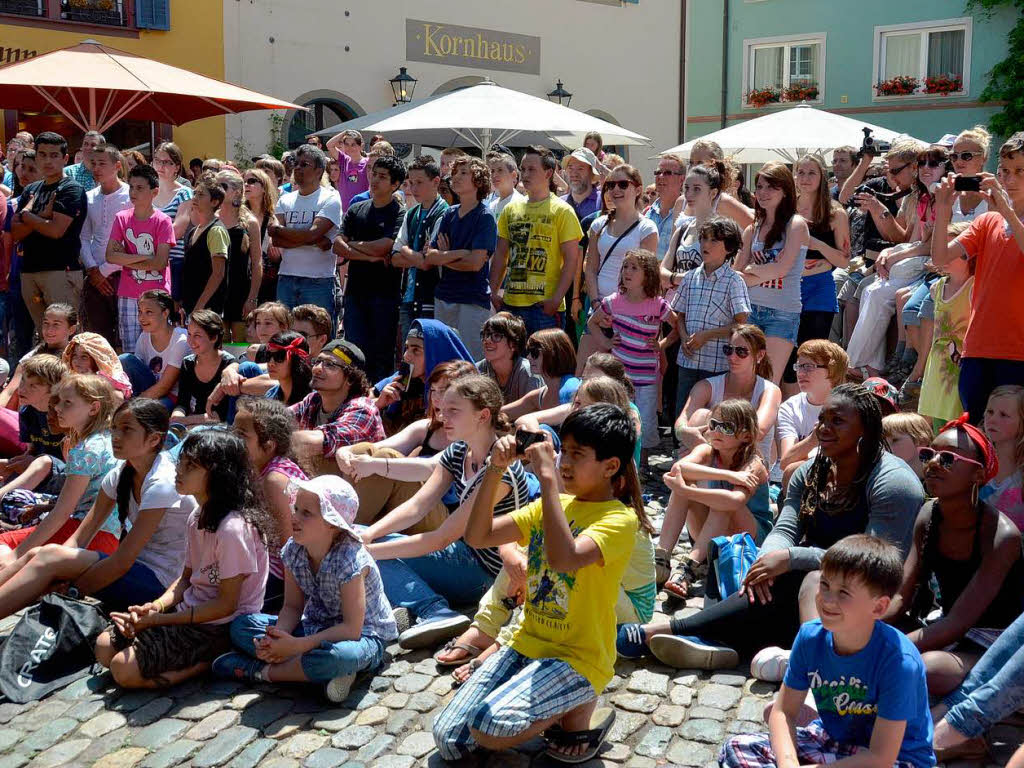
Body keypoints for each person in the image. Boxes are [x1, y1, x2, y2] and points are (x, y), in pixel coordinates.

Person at [618, 384, 923, 669]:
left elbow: (877, 564)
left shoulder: (893, 482)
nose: (823, 428)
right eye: (822, 419)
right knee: (761, 578)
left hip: (863, 596)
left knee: (812, 580)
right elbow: (785, 529)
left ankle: (670, 630)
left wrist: (790, 558)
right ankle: (720, 643)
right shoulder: (811, 471)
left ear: (865, 430)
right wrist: (768, 560)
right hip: (812, 582)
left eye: (837, 421)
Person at [432, 404, 643, 763]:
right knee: (449, 740)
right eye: (565, 452)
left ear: (610, 467)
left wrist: (546, 481)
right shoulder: (555, 503)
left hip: (578, 657)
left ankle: (575, 710)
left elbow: (565, 558)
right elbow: (478, 534)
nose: (565, 463)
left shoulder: (620, 519)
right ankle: (555, 711)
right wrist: (495, 470)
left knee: (489, 725)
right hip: (529, 643)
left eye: (578, 455)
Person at [719, 535, 935, 768]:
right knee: (738, 748)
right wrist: (788, 763)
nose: (827, 600)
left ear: (879, 606)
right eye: (825, 585)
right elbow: (783, 712)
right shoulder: (810, 637)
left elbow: (880, 758)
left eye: (844, 593)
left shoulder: (899, 662)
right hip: (834, 742)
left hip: (898, 760)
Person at [365, 375, 531, 649]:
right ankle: (405, 608)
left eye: (454, 411)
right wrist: (368, 535)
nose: (443, 418)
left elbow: (442, 537)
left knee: (372, 556)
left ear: (483, 415)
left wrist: (365, 551)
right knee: (361, 537)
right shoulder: (458, 452)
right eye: (443, 410)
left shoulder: (501, 469)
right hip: (461, 555)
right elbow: (417, 506)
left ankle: (434, 611)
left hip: (488, 575)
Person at [94, 429, 270, 689]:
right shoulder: (197, 516)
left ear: (218, 475)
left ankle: (206, 662)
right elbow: (187, 579)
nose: (179, 470)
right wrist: (155, 607)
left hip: (219, 626)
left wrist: (159, 621)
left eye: (191, 465)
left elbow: (226, 605)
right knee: (104, 648)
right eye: (181, 461)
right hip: (186, 614)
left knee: (123, 669)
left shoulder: (232, 528)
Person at [0, 399, 193, 620]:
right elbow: (82, 535)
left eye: (127, 430)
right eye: (114, 429)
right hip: (134, 570)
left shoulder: (163, 481)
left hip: (162, 584)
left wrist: (74, 589)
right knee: (41, 553)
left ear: (154, 439)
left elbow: (122, 561)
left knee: (51, 556)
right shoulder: (121, 473)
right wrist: (62, 567)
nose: (116, 437)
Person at [214, 473, 396, 701]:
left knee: (339, 657)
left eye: (306, 513)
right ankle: (316, 671)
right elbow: (292, 606)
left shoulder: (350, 558)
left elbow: (352, 629)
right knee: (241, 626)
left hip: (362, 637)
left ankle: (262, 672)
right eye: (296, 509)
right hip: (316, 627)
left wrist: (296, 647)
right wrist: (277, 637)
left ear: (333, 524)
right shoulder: (294, 549)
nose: (295, 517)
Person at [886, 414, 1022, 695]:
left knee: (927, 669)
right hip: (945, 627)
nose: (934, 463)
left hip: (993, 640)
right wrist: (863, 630)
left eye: (948, 458)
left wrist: (879, 647)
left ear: (979, 475)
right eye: (928, 455)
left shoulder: (1002, 536)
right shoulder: (928, 514)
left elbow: (960, 622)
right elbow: (901, 595)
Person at [931, 132, 1024, 422]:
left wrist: (1006, 210)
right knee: (976, 437)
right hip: (978, 348)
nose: (1009, 179)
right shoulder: (987, 221)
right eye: (1005, 171)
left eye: (1020, 171)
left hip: (1019, 352)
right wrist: (944, 207)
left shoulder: (1002, 215)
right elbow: (939, 259)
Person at [337, 359, 476, 534]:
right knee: (362, 451)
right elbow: (374, 447)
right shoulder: (426, 428)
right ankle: (345, 521)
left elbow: (431, 467)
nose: (438, 398)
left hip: (443, 516)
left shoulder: (471, 436)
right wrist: (344, 453)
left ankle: (342, 531)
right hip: (413, 506)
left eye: (445, 391)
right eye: (434, 390)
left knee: (385, 458)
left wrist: (374, 465)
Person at [847, 144, 943, 380]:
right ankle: (868, 364)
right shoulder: (919, 198)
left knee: (876, 293)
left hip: (927, 264)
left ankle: (857, 363)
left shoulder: (938, 197)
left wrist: (894, 252)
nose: (889, 177)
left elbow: (919, 243)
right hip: (909, 258)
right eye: (923, 164)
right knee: (867, 289)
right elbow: (903, 238)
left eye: (895, 171)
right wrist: (890, 251)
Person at [0, 374, 120, 561]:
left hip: (87, 536)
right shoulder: (108, 440)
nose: (57, 407)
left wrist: (17, 553)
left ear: (94, 408)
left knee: (4, 544)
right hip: (110, 536)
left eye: (67, 403)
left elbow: (62, 512)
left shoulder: (86, 450)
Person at [660, 399, 772, 599]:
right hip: (710, 530)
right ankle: (661, 558)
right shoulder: (707, 451)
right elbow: (679, 468)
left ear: (746, 436)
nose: (717, 432)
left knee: (722, 502)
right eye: (714, 425)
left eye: (727, 428)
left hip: (751, 537)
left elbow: (735, 501)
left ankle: (689, 568)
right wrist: (728, 476)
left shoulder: (753, 463)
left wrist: (689, 491)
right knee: (683, 483)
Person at [492, 146, 583, 336]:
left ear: (548, 173)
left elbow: (571, 261)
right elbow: (501, 254)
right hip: (511, 304)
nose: (525, 174)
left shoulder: (563, 211)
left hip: (544, 308)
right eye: (523, 169)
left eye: (531, 169)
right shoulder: (510, 209)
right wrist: (493, 291)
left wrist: (556, 300)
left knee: (545, 364)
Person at [734, 162, 810, 385]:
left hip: (782, 313)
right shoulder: (752, 229)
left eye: (771, 187)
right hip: (750, 311)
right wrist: (760, 272)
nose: (763, 193)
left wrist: (753, 270)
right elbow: (737, 275)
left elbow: (783, 268)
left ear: (785, 190)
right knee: (745, 378)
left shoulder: (795, 225)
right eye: (760, 187)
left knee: (768, 381)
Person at [589, 249, 669, 458]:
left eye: (635, 268)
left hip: (647, 376)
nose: (628, 271)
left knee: (645, 421)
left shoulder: (658, 304)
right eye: (626, 266)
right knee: (618, 416)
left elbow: (677, 326)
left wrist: (662, 343)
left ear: (649, 274)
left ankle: (641, 463)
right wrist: (606, 342)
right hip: (621, 375)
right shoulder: (613, 301)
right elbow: (592, 323)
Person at [665, 216, 751, 411]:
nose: (706, 244)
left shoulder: (733, 281)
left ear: (728, 248)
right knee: (683, 410)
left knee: (711, 413)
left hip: (717, 363)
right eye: (704, 238)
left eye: (714, 240)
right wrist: (685, 336)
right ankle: (681, 442)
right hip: (688, 359)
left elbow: (741, 324)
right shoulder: (689, 277)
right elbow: (680, 315)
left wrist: (707, 335)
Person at [332, 155, 406, 382]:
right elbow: (337, 245)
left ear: (395, 185)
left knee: (381, 354)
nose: (374, 180)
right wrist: (371, 257)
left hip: (385, 296)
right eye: (374, 173)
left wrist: (353, 247)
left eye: (382, 177)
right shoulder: (357, 208)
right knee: (353, 351)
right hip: (355, 293)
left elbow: (385, 246)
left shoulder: (400, 213)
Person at [782, 155, 850, 397]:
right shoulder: (786, 209)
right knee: (786, 354)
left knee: (813, 355)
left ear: (822, 176)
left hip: (819, 287)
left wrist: (817, 244)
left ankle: (813, 405)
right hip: (787, 285)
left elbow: (844, 259)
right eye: (801, 172)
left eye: (812, 173)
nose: (805, 178)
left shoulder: (834, 213)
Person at [232, 397, 307, 613]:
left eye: (242, 435)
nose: (233, 440)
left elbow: (290, 548)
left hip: (286, 575)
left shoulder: (274, 481)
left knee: (238, 617)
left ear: (269, 445)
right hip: (266, 563)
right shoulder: (251, 470)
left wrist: (293, 607)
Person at [11, 132, 88, 331]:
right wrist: (42, 217)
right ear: (36, 156)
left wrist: (28, 216)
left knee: (65, 334)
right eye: (42, 154)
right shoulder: (31, 189)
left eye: (54, 155)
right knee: (42, 334)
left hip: (61, 271)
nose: (47, 160)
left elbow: (55, 230)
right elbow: (16, 233)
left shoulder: (71, 189)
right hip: (29, 271)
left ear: (65, 159)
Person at [674, 324, 780, 464]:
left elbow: (757, 432)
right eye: (728, 350)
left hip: (750, 465)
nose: (732, 357)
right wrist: (684, 433)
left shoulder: (769, 390)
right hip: (711, 461)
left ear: (760, 355)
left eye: (741, 352)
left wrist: (708, 440)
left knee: (704, 419)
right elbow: (682, 420)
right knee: (700, 416)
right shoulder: (706, 386)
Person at [426, 156, 497, 361]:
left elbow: (475, 264)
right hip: (444, 296)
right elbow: (430, 257)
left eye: (464, 173)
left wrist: (444, 257)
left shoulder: (485, 216)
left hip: (472, 299)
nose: (455, 177)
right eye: (454, 173)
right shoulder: (448, 214)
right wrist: (459, 253)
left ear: (479, 180)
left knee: (469, 361)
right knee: (444, 361)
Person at [269, 144, 342, 327]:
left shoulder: (330, 198)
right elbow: (275, 237)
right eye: (297, 164)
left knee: (318, 333)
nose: (298, 168)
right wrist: (313, 240)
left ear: (319, 171)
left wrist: (292, 236)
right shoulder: (285, 199)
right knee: (285, 333)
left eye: (304, 164)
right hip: (286, 277)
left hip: (318, 280)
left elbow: (312, 233)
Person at [105, 164, 175, 353]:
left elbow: (160, 262)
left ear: (155, 192)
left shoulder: (163, 221)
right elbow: (110, 256)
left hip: (157, 294)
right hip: (128, 293)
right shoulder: (121, 218)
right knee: (131, 350)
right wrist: (145, 257)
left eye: (140, 188)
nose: (133, 192)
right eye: (131, 187)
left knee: (158, 348)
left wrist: (125, 257)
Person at [289, 340, 385, 475]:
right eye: (317, 361)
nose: (317, 368)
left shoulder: (363, 409)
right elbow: (281, 419)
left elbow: (323, 441)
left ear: (350, 379)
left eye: (330, 364)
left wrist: (270, 437)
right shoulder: (313, 401)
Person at [374, 319, 474, 434]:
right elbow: (366, 397)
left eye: (416, 350)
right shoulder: (402, 380)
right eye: (407, 348)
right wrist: (378, 404)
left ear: (435, 352)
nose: (406, 356)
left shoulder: (460, 387)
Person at [918, 223, 974, 425]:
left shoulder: (974, 288)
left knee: (954, 422)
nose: (944, 254)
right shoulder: (937, 287)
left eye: (952, 248)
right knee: (934, 422)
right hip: (937, 367)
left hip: (959, 369)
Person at [583, 165, 659, 315]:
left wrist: (619, 306)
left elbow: (644, 276)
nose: (615, 189)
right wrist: (596, 303)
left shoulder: (647, 228)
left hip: (629, 311)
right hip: (598, 307)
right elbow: (591, 269)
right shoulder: (598, 224)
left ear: (638, 190)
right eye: (611, 185)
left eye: (623, 184)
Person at [775, 339, 849, 490]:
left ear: (832, 369)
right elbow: (785, 461)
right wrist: (813, 439)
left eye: (809, 367)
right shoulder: (790, 407)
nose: (801, 373)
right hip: (798, 482)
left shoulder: (850, 406)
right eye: (799, 366)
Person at [391, 155, 449, 340]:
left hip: (429, 298)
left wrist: (406, 251)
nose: (413, 188)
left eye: (419, 182)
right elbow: (394, 257)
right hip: (408, 298)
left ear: (436, 181)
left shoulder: (444, 213)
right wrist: (414, 254)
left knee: (427, 353)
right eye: (410, 182)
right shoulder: (412, 213)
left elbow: (427, 262)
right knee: (409, 357)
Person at [79, 144, 131, 343]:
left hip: (125, 275)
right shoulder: (89, 197)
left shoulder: (130, 196)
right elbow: (84, 237)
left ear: (117, 166)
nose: (96, 168)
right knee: (98, 336)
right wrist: (93, 270)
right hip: (94, 277)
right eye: (93, 163)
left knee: (125, 337)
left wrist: (105, 271)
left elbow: (132, 243)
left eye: (102, 163)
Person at [0, 356, 68, 507]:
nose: (22, 389)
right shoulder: (27, 412)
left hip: (65, 476)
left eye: (33, 386)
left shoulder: (64, 415)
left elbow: (72, 462)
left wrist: (31, 463)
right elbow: (31, 451)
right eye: (23, 381)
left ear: (53, 389)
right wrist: (12, 464)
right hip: (38, 472)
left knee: (43, 462)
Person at [118, 290, 188, 410]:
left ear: (165, 313)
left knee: (143, 413)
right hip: (149, 391)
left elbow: (165, 386)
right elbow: (136, 373)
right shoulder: (144, 336)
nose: (141, 318)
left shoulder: (181, 339)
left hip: (172, 396)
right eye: (140, 312)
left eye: (148, 312)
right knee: (124, 359)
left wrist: (133, 404)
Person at [0, 302, 77, 411]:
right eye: (46, 323)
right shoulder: (33, 355)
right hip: (29, 415)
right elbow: (11, 390)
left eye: (56, 324)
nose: (49, 330)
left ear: (72, 329)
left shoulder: (76, 356)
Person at [662, 163, 728, 286]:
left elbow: (716, 278)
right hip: (677, 302)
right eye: (686, 188)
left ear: (713, 193)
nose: (689, 194)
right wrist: (680, 279)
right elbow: (662, 273)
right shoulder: (682, 230)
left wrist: (674, 278)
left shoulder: (722, 231)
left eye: (697, 189)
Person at [217, 170, 263, 342]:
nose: (217, 189)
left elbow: (257, 263)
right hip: (216, 289)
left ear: (236, 191)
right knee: (219, 343)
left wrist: (252, 297)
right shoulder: (211, 219)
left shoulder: (249, 222)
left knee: (242, 342)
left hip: (240, 290)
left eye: (222, 185)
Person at [171, 310, 235, 425]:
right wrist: (176, 418)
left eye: (197, 335)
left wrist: (184, 421)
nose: (191, 341)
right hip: (194, 422)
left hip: (221, 427)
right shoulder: (188, 363)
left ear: (214, 338)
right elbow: (182, 403)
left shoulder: (229, 364)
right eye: (189, 334)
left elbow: (220, 414)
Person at [502, 329, 580, 420]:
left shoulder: (573, 387)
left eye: (534, 352)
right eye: (529, 352)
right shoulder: (539, 396)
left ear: (553, 353)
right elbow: (501, 414)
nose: (528, 357)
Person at [181, 177, 229, 316]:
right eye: (195, 193)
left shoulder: (216, 231)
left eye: (201, 194)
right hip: (191, 306)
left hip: (208, 309)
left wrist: (199, 307)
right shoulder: (193, 231)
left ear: (214, 202)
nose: (195, 197)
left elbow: (218, 274)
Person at [152, 143, 194, 303]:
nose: (161, 166)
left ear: (177, 167)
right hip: (146, 260)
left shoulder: (184, 193)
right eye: (157, 160)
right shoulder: (146, 190)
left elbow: (178, 229)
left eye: (167, 162)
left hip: (173, 263)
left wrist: (147, 240)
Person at [981, 385, 1024, 531]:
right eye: (990, 412)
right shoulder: (976, 463)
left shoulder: (1021, 475)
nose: (992, 420)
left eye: (1004, 415)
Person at [475, 312, 542, 403]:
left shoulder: (528, 373)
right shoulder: (479, 369)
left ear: (513, 344)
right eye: (486, 335)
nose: (487, 340)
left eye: (496, 336)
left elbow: (534, 411)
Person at [243, 167, 280, 305]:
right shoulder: (237, 216)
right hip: (240, 279)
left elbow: (277, 255)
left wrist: (276, 252)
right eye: (244, 181)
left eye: (252, 181)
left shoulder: (272, 219)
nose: (246, 184)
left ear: (264, 188)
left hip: (265, 282)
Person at [61, 332, 132, 400]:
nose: (77, 361)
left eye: (84, 357)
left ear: (97, 360)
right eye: (74, 356)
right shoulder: (68, 385)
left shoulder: (112, 393)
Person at [646, 153, 685, 261]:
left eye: (667, 173)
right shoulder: (648, 213)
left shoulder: (686, 215)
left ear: (681, 180)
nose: (660, 176)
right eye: (658, 172)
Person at [882, 412, 933, 481]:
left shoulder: (937, 481)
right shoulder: (884, 478)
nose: (885, 448)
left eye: (895, 440)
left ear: (921, 441)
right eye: (882, 442)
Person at [325, 129, 368, 209]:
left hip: (362, 208)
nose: (349, 147)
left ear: (360, 146)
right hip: (345, 209)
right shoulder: (344, 160)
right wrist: (345, 132)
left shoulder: (367, 163)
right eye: (347, 144)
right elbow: (329, 145)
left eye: (353, 144)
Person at [561, 148, 604, 222]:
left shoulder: (604, 202)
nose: (574, 174)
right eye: (570, 168)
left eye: (580, 169)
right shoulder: (560, 203)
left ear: (592, 173)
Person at [484, 151, 524, 221]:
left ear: (513, 175)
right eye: (492, 171)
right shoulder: (491, 205)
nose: (494, 175)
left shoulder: (521, 203)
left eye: (500, 170)